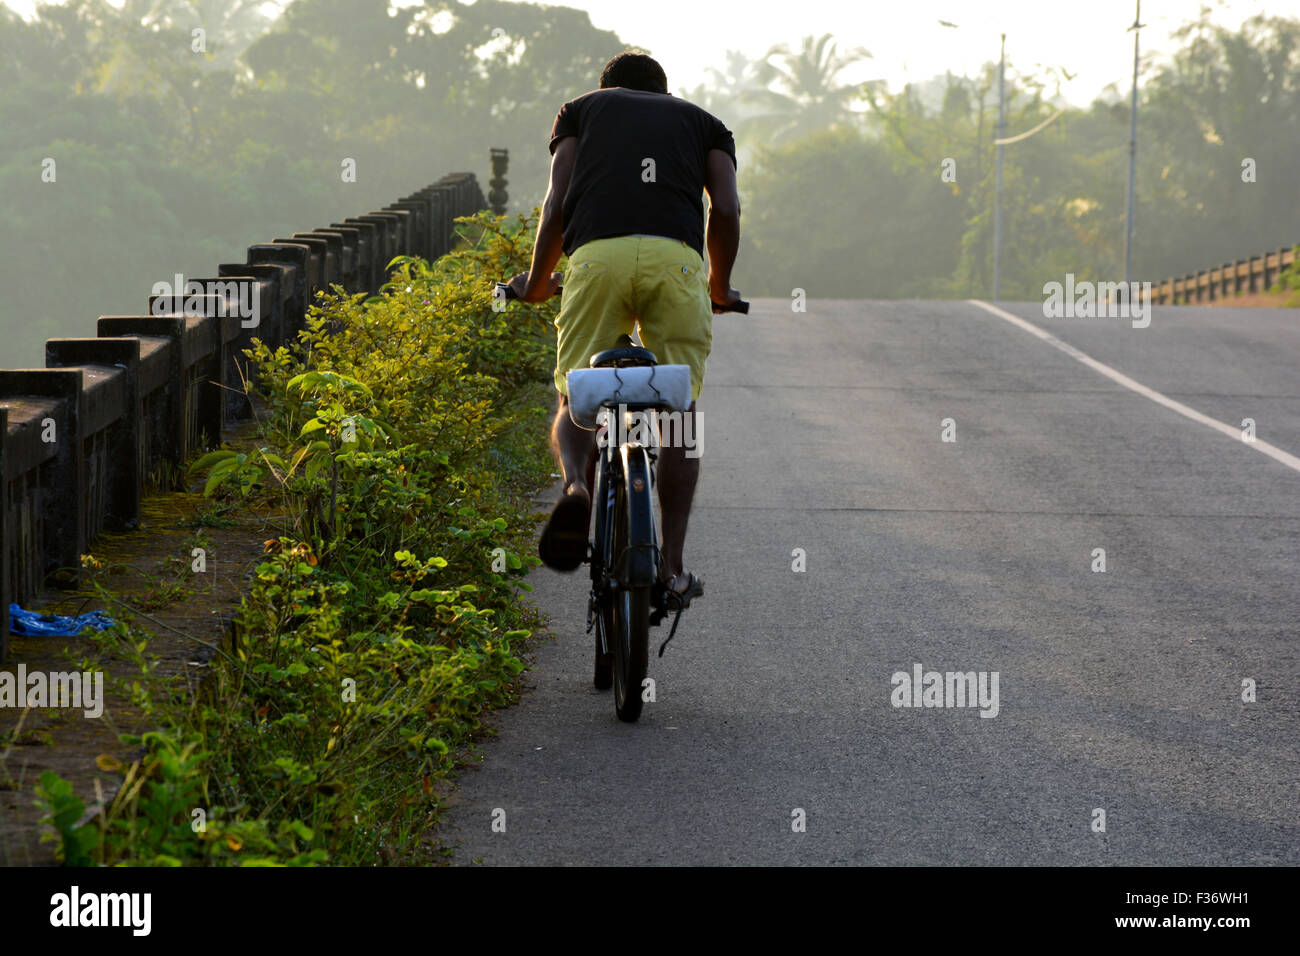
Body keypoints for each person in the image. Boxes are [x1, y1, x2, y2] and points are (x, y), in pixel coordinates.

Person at [507, 49, 741, 606]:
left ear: (605, 87)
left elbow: (557, 202)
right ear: (663, 93)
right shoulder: (706, 124)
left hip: (597, 260)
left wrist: (538, 281)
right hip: (677, 263)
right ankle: (674, 569)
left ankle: (578, 486)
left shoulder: (581, 112)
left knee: (574, 393)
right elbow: (727, 210)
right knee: (680, 415)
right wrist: (720, 287)